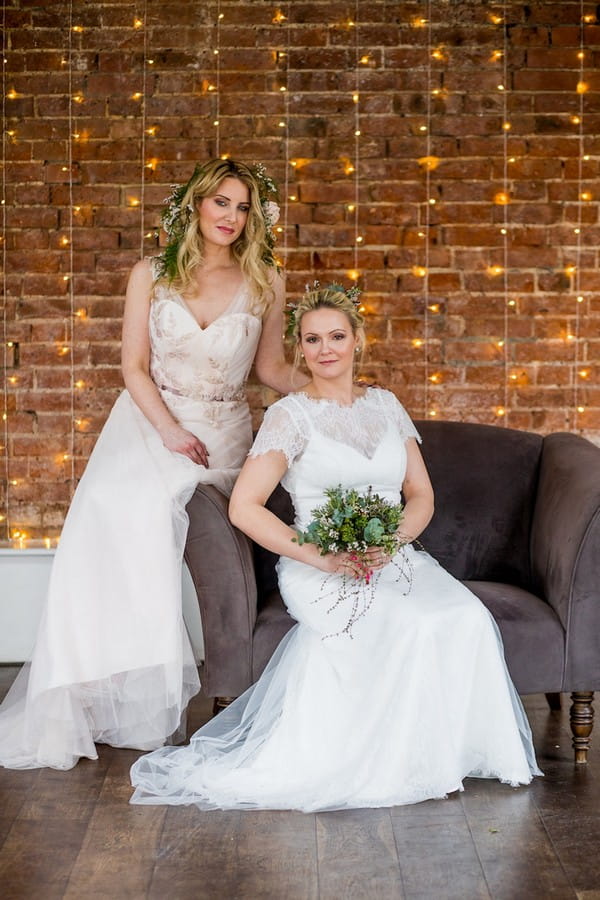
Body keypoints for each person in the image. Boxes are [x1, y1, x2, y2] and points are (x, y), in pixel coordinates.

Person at [129, 284, 542, 812]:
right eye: (312, 339)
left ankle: (448, 755)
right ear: (300, 349)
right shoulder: (290, 415)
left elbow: (420, 494)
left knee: (464, 615)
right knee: (409, 623)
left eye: (337, 336)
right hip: (320, 566)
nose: (326, 348)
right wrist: (322, 556)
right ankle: (397, 764)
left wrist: (393, 542)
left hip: (392, 556)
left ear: (357, 341)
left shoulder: (387, 406)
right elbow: (245, 507)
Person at [0, 158, 306, 771]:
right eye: (222, 202)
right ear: (196, 205)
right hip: (150, 426)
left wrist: (336, 392)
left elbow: (269, 371)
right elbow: (133, 367)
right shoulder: (153, 273)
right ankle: (100, 691)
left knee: (179, 512)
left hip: (222, 434)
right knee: (116, 513)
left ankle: (153, 693)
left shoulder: (265, 279)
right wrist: (168, 429)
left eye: (244, 207)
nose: (231, 217)